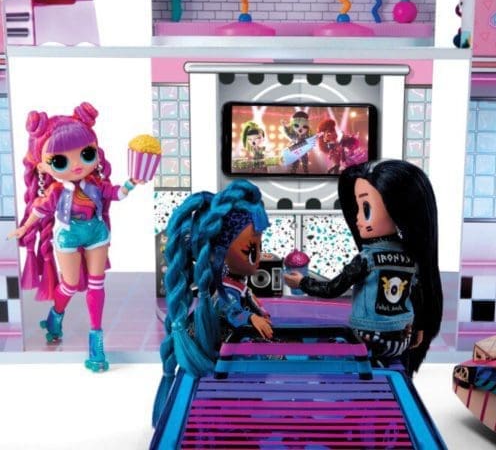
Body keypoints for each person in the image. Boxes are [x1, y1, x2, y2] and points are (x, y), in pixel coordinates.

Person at [8, 102, 145, 372]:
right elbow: (40, 209)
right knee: (69, 285)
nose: (77, 165)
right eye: (60, 161)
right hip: (68, 236)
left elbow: (115, 193)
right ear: (43, 167)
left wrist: (132, 183)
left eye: (86, 154)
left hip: (96, 233)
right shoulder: (56, 192)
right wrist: (24, 228)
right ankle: (55, 316)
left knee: (97, 284)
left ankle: (96, 340)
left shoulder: (95, 184)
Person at [284, 159, 442, 375]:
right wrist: (420, 327)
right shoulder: (411, 257)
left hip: (370, 339)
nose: (357, 219)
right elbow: (417, 295)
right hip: (401, 339)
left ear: (397, 210)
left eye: (366, 209)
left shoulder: (367, 258)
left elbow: (333, 288)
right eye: (358, 209)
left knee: (321, 353)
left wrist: (302, 282)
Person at [152, 179, 271, 425]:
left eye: (260, 245)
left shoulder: (233, 285)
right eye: (251, 248)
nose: (258, 256)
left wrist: (252, 302)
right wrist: (250, 317)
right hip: (228, 347)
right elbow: (227, 307)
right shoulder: (222, 291)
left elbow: (240, 296)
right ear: (220, 253)